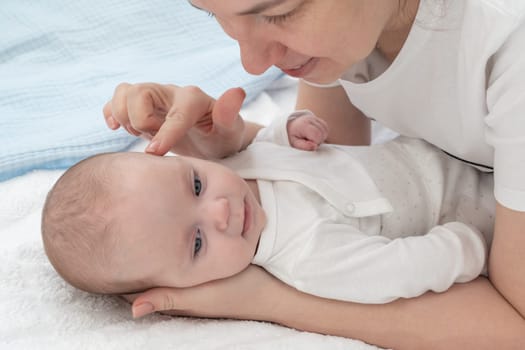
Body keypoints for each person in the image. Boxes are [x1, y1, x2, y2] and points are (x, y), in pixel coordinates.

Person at [101, 0, 525, 348]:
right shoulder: (352, 34)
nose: (251, 64)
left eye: (278, 12)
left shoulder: (509, 49)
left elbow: (513, 326)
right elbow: (335, 161)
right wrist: (230, 149)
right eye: (214, 14)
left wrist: (265, 298)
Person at [42, 111, 491, 305]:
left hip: (441, 148)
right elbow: (399, 271)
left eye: (195, 184)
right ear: (183, 286)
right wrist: (465, 247)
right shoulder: (306, 259)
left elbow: (266, 143)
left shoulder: (236, 165)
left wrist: (291, 128)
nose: (219, 211)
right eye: (197, 242)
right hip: (471, 211)